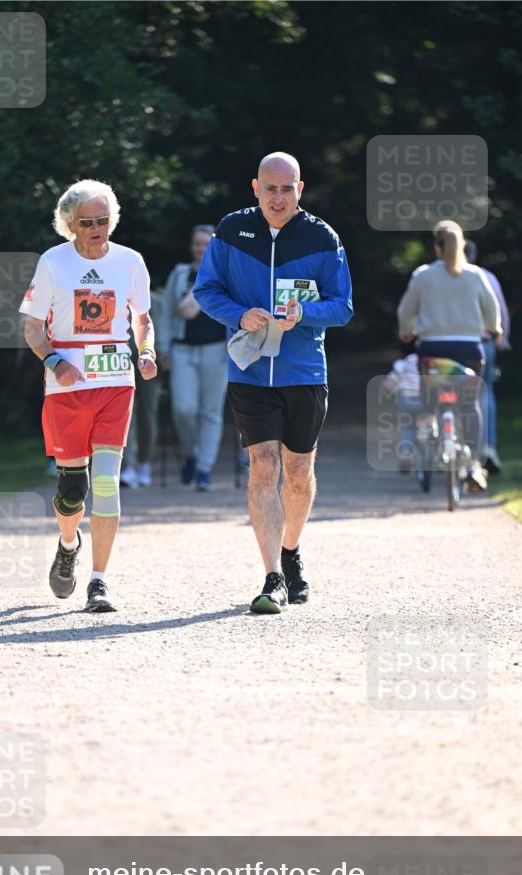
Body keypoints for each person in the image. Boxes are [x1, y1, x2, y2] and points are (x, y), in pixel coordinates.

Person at [194, 152, 353, 613]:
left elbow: (342, 306)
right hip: (247, 370)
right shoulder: (230, 231)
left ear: (300, 189)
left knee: (299, 474)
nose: (278, 197)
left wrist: (306, 313)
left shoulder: (322, 238)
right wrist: (238, 313)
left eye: (287, 189)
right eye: (270, 188)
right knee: (263, 467)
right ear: (255, 188)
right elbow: (206, 290)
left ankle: (291, 550)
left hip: (303, 371)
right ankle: (272, 577)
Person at [20, 178, 157, 613]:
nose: (97, 229)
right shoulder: (52, 263)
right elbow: (30, 328)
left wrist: (147, 352)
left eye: (103, 220)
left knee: (106, 483)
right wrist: (54, 362)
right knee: (74, 489)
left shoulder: (131, 262)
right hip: (67, 389)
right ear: (70, 225)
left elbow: (144, 319)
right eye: (87, 222)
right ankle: (67, 542)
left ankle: (99, 581)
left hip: (116, 384)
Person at [397, 220, 502, 492]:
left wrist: (407, 330)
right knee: (471, 406)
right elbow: (492, 311)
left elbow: (405, 312)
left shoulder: (423, 275)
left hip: (433, 351)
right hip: (469, 352)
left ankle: (428, 427)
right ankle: (472, 465)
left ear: (436, 246)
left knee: (429, 401)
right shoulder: (476, 275)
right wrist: (494, 329)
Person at [158, 225, 228, 492]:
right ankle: (192, 453)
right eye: (198, 243)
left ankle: (204, 469)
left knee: (211, 412)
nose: (201, 248)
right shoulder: (180, 274)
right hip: (182, 350)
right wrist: (163, 349)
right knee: (183, 409)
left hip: (217, 350)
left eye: (207, 244)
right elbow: (165, 314)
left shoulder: (225, 276)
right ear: (192, 246)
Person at [464, 239, 510, 474]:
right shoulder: (486, 277)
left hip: (446, 344)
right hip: (483, 342)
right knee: (484, 391)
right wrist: (501, 339)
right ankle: (488, 447)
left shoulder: (435, 275)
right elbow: (500, 311)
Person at [120, 289, 163, 488]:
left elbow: (161, 329)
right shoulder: (113, 292)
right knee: (125, 414)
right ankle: (128, 466)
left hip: (149, 362)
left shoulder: (153, 299)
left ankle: (144, 463)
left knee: (147, 414)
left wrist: (162, 356)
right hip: (119, 360)